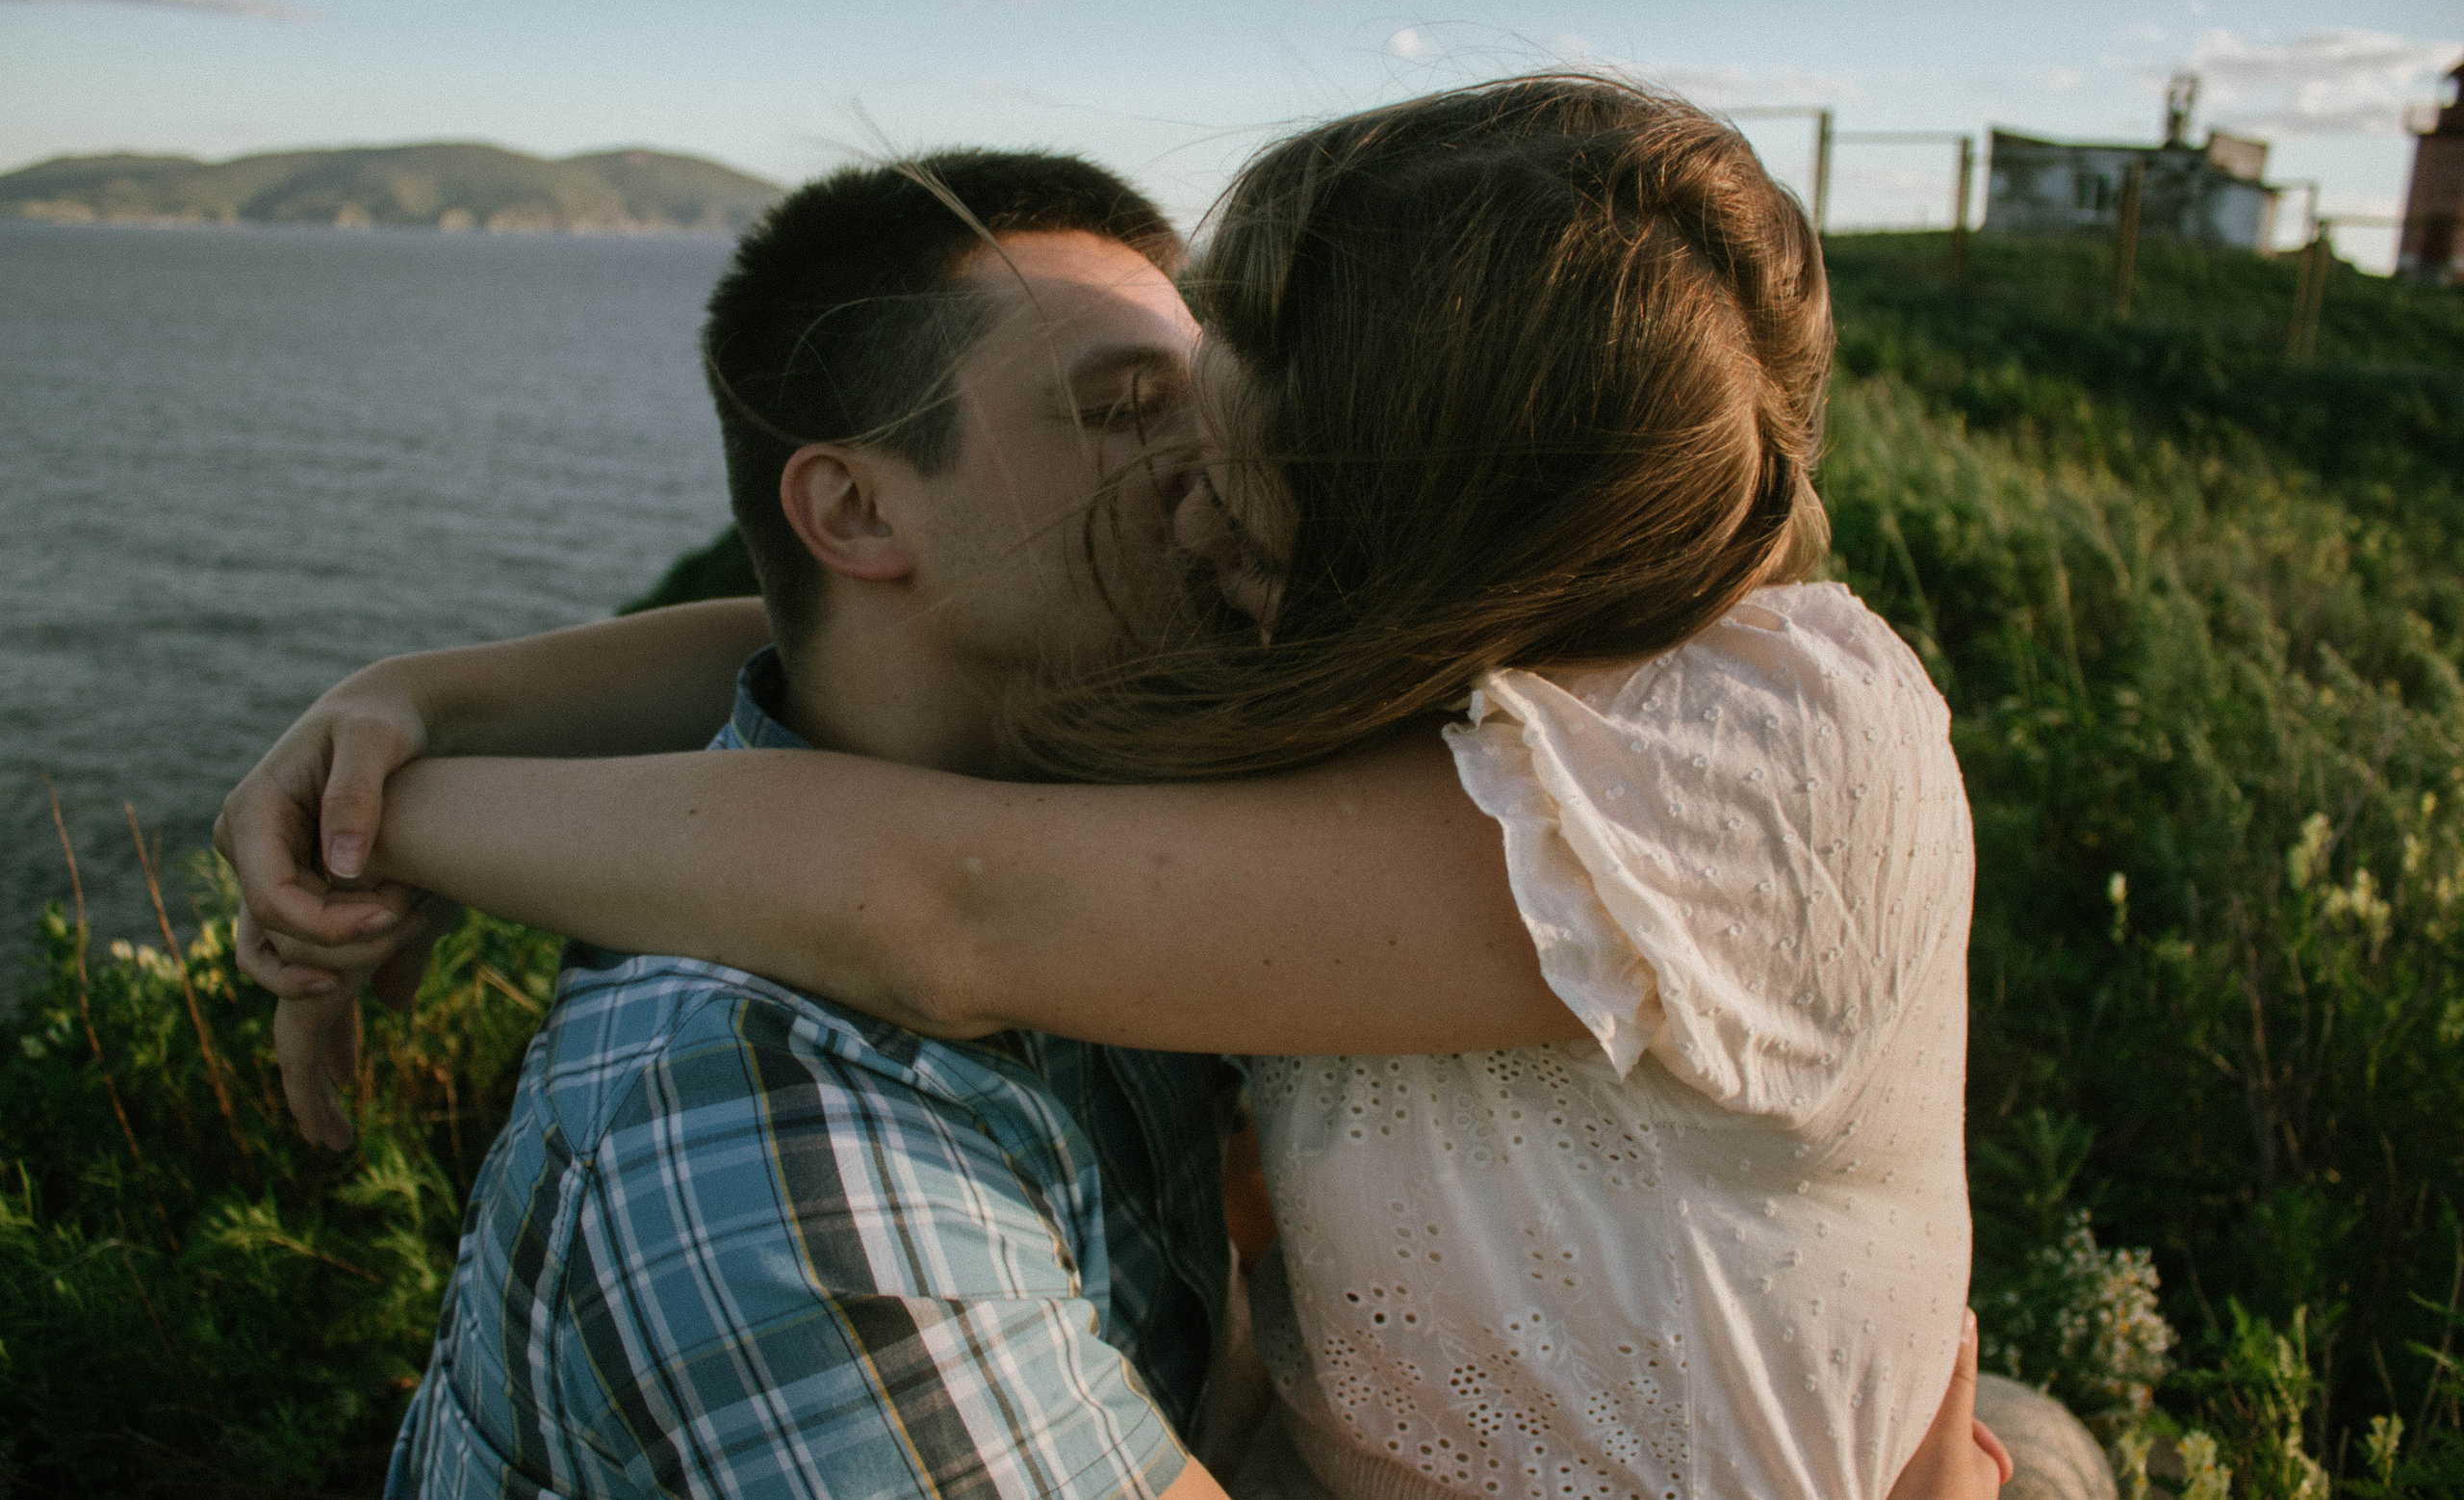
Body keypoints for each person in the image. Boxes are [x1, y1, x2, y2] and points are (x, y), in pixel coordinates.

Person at [226, 78, 2011, 1500]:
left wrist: (419, 802)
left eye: (1228, 415)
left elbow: (940, 870)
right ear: (857, 515)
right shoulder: (769, 1135)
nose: (1196, 480)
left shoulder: (1606, 746)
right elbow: (891, 809)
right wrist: (410, 726)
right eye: (1126, 410)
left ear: (1434, 490)